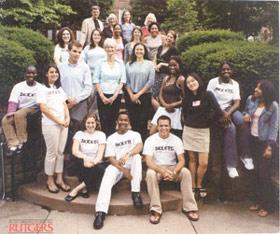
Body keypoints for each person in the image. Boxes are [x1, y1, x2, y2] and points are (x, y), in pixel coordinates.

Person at [144, 115, 199, 224]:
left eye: (166, 126)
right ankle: (156, 209)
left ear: (170, 126)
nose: (163, 128)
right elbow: (148, 161)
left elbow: (182, 160)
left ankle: (190, 207)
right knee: (150, 174)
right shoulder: (150, 140)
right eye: (161, 126)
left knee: (186, 172)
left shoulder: (176, 140)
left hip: (172, 168)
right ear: (157, 126)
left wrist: (174, 172)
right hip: (157, 168)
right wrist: (162, 171)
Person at [93, 111, 143, 229]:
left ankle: (135, 193)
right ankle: (100, 212)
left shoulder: (134, 134)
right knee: (108, 173)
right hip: (118, 165)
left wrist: (127, 154)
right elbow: (111, 158)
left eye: (126, 120)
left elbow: (139, 146)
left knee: (136, 157)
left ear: (129, 122)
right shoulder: (111, 138)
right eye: (121, 120)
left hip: (130, 161)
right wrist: (124, 170)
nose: (123, 122)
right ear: (117, 121)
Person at [182, 73, 223, 198]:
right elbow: (184, 114)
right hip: (189, 130)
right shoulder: (186, 98)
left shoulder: (208, 95)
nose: (191, 84)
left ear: (198, 80)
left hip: (203, 131)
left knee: (203, 162)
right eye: (188, 83)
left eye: (193, 80)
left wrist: (208, 121)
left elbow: (218, 111)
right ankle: (194, 186)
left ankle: (199, 184)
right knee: (192, 160)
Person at [207, 62, 250, 178]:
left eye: (228, 69)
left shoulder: (234, 84)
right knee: (231, 129)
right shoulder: (213, 82)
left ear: (232, 71)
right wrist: (222, 113)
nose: (226, 71)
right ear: (220, 71)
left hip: (229, 109)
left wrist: (228, 113)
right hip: (216, 110)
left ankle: (245, 155)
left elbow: (237, 103)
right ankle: (231, 165)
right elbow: (209, 99)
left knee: (241, 120)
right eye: (223, 69)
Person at [243, 80, 278, 217]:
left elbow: (274, 127)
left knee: (264, 175)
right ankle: (257, 201)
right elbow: (246, 111)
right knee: (255, 173)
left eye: (259, 88)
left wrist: (269, 147)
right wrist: (245, 115)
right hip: (253, 140)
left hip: (265, 143)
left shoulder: (273, 106)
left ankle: (267, 206)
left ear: (266, 92)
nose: (255, 90)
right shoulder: (252, 100)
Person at [37, 64, 70, 193]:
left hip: (63, 123)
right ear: (46, 74)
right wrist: (58, 121)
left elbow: (64, 104)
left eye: (56, 72)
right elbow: (43, 108)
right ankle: (50, 180)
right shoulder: (42, 88)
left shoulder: (59, 88)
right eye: (51, 72)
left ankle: (59, 179)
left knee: (60, 152)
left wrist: (67, 118)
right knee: (52, 153)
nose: (54, 74)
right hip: (50, 124)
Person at [65, 113, 108, 201]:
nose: (90, 125)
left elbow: (100, 155)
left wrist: (93, 162)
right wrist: (85, 158)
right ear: (84, 123)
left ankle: (77, 189)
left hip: (95, 161)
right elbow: (75, 151)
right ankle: (83, 189)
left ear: (96, 123)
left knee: (99, 169)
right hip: (81, 159)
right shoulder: (79, 134)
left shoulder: (101, 135)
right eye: (88, 123)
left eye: (92, 123)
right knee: (81, 165)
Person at [2, 65, 42, 153]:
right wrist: (10, 114)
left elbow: (42, 102)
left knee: (19, 114)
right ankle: (13, 142)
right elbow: (13, 101)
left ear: (36, 74)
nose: (31, 75)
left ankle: (22, 140)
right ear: (25, 74)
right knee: (5, 120)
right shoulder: (18, 86)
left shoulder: (40, 87)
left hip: (33, 108)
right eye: (29, 73)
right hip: (20, 108)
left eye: (33, 73)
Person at [93, 38, 126, 136]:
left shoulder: (120, 63)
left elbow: (122, 81)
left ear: (115, 49)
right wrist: (102, 96)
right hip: (102, 94)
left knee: (113, 120)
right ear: (105, 49)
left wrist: (114, 96)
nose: (110, 49)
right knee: (104, 120)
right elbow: (96, 80)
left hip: (116, 95)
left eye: (112, 47)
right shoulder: (99, 63)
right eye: (107, 47)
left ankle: (111, 142)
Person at [125, 42, 155, 140]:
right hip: (131, 95)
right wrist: (132, 95)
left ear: (144, 51)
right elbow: (127, 82)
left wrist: (138, 94)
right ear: (134, 51)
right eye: (137, 49)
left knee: (143, 121)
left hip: (144, 95)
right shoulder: (128, 64)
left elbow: (150, 81)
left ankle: (143, 144)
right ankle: (135, 144)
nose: (139, 51)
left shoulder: (150, 64)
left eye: (141, 49)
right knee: (134, 121)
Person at [58, 40, 92, 126]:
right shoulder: (61, 67)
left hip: (80, 104)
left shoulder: (85, 68)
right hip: (64, 103)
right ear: (68, 51)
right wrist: (66, 99)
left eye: (79, 52)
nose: (77, 54)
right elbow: (58, 86)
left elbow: (88, 87)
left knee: (77, 131)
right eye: (74, 51)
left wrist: (76, 100)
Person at [150, 56, 184, 137]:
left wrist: (172, 105)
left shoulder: (181, 79)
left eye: (174, 65)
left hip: (174, 111)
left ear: (179, 65)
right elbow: (160, 94)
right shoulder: (166, 78)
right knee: (152, 133)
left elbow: (186, 98)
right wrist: (165, 105)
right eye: (170, 65)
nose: (172, 67)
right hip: (163, 109)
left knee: (171, 135)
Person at [152, 30, 179, 106]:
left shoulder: (174, 50)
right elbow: (155, 58)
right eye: (168, 36)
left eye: (171, 37)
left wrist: (161, 64)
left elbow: (175, 64)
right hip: (156, 73)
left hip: (166, 75)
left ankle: (160, 113)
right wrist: (154, 65)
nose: (169, 38)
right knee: (154, 95)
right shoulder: (160, 47)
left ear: (173, 40)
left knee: (156, 95)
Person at [83, 29, 106, 115]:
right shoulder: (87, 48)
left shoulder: (103, 48)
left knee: (98, 98)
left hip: (101, 77)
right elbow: (83, 62)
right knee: (89, 97)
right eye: (94, 35)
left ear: (101, 37)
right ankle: (86, 117)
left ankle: (94, 117)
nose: (96, 37)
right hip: (90, 76)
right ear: (91, 36)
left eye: (98, 35)